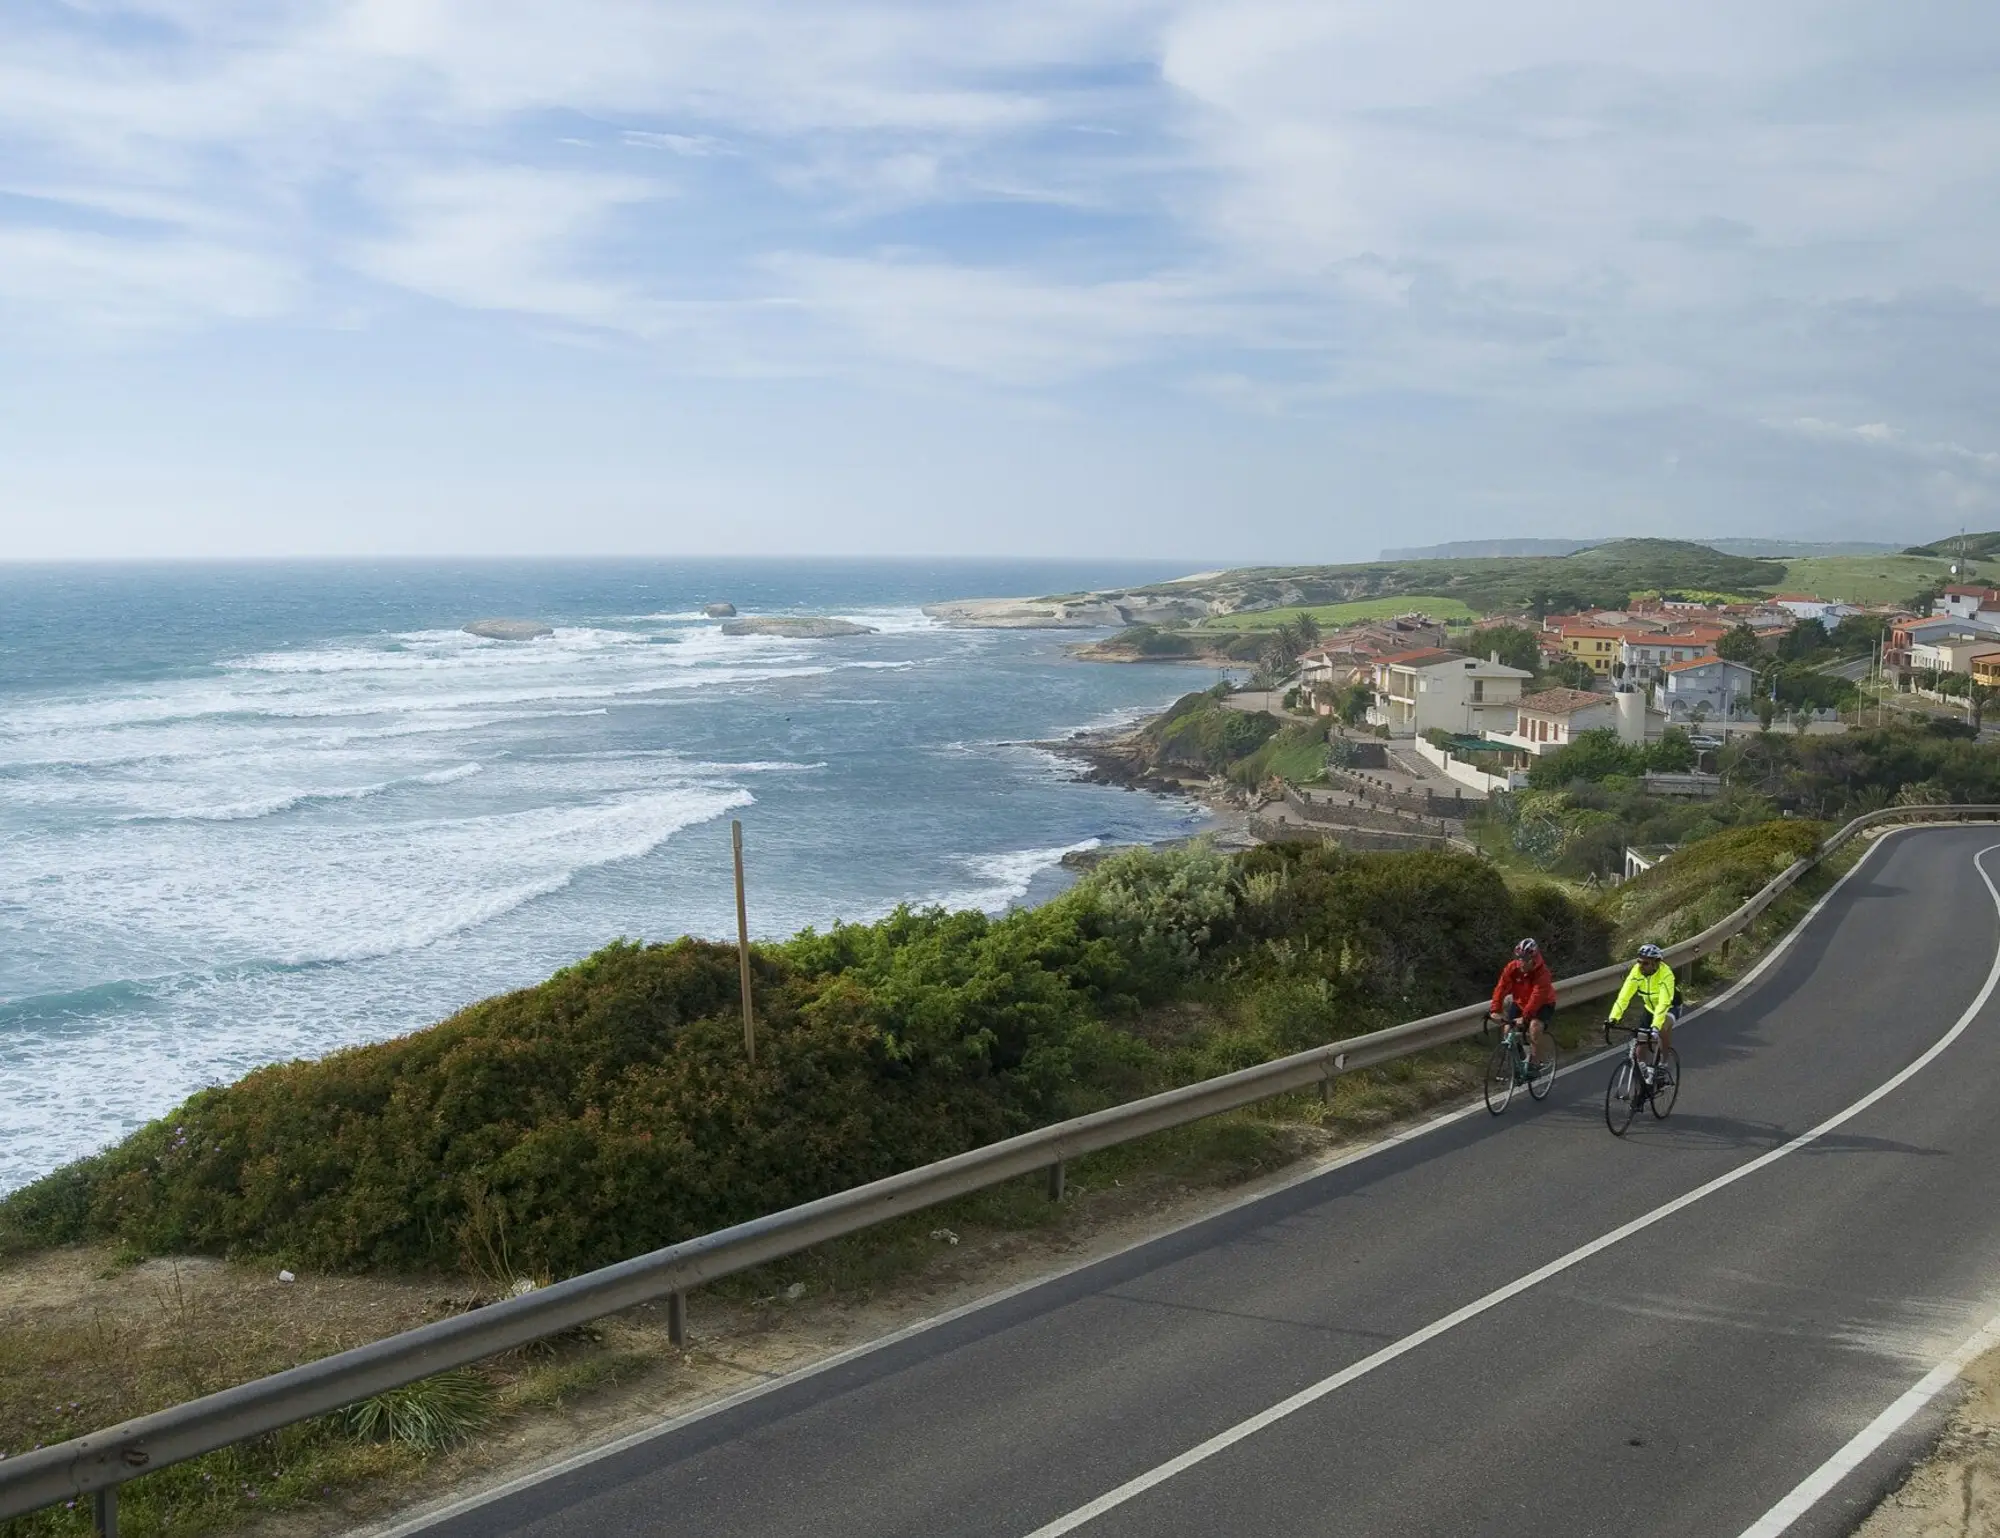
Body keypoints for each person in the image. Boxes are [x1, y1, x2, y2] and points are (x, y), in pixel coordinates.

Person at [1607, 942, 1679, 1083]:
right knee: (1641, 1039)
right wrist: (1613, 1018)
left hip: (1670, 1006)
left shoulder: (1666, 974)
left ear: (1655, 963)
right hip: (1650, 1008)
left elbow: (1663, 1003)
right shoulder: (1636, 972)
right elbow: (1624, 997)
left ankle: (1663, 1063)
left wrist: (1655, 1026)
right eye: (1639, 962)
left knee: (1662, 1027)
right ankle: (1642, 1078)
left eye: (1645, 963)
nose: (1641, 966)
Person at [1490, 937, 1556, 1075]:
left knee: (1534, 1027)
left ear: (1533, 959)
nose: (1521, 962)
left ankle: (1535, 1062)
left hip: (1543, 1003)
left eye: (1524, 959)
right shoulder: (1512, 968)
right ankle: (1519, 1061)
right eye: (1518, 958)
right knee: (1507, 1029)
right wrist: (1495, 1009)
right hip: (1520, 1002)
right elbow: (1501, 987)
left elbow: (1537, 997)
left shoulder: (1542, 973)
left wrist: (1525, 1017)